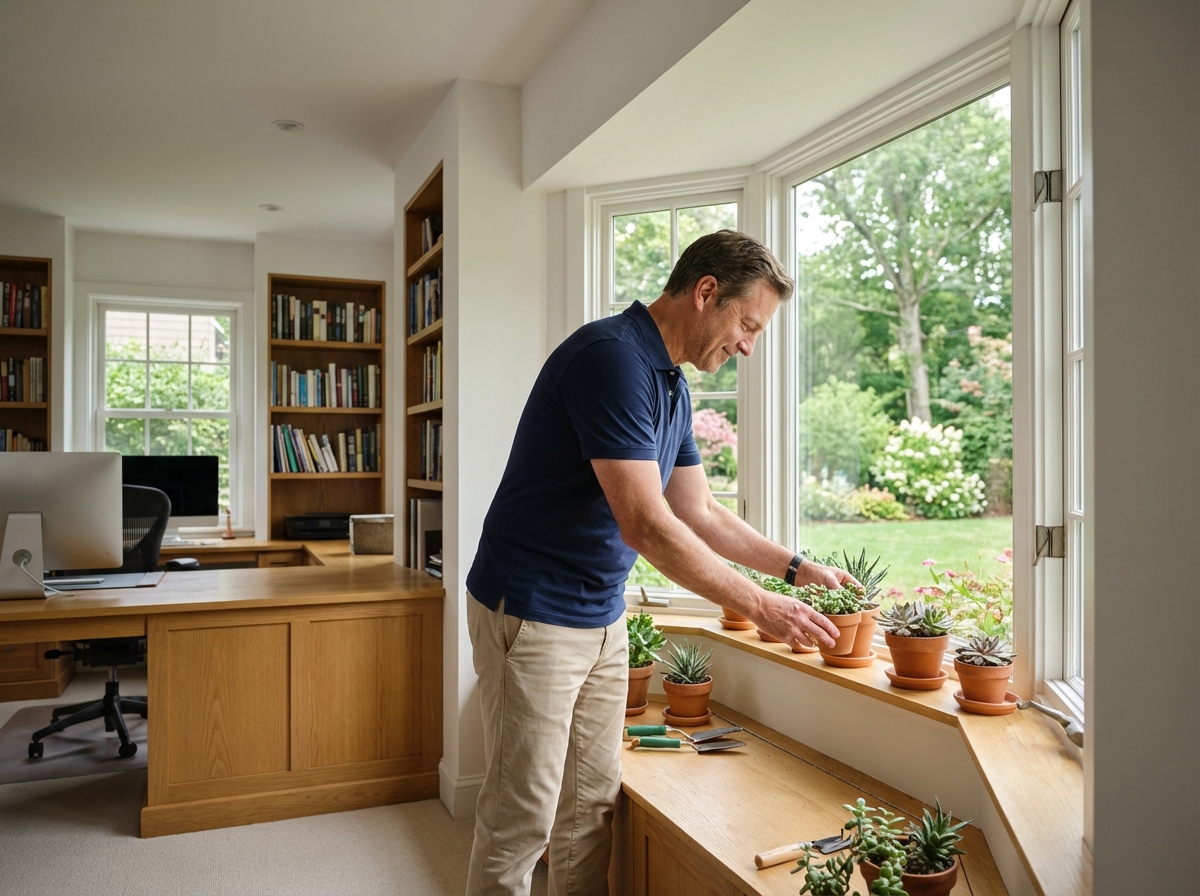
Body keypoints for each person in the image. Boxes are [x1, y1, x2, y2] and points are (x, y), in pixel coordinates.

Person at [464, 230, 857, 895]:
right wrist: (762, 608)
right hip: (531, 613)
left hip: (599, 616)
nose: (748, 346)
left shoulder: (670, 384)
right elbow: (647, 524)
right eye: (747, 324)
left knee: (589, 809)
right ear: (707, 293)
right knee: (520, 820)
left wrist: (794, 568)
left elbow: (699, 513)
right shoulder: (610, 359)